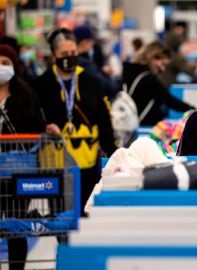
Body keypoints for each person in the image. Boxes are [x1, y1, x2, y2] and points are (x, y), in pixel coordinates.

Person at [36, 28, 116, 216]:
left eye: (73, 53)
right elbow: (34, 116)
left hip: (86, 161)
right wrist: (44, 126)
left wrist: (112, 149)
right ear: (54, 55)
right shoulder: (42, 84)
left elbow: (103, 118)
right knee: (60, 215)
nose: (69, 57)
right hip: (54, 162)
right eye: (64, 54)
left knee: (84, 213)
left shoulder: (90, 81)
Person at [0, 44, 46, 270]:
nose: (1, 67)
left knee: (15, 225)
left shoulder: (26, 96)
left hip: (19, 170)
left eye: (6, 63)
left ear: (14, 66)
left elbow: (37, 128)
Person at [122, 41, 195, 126]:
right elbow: (169, 100)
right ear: (153, 58)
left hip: (129, 123)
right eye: (163, 64)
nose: (163, 70)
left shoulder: (130, 72)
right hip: (144, 126)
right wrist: (193, 110)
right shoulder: (148, 78)